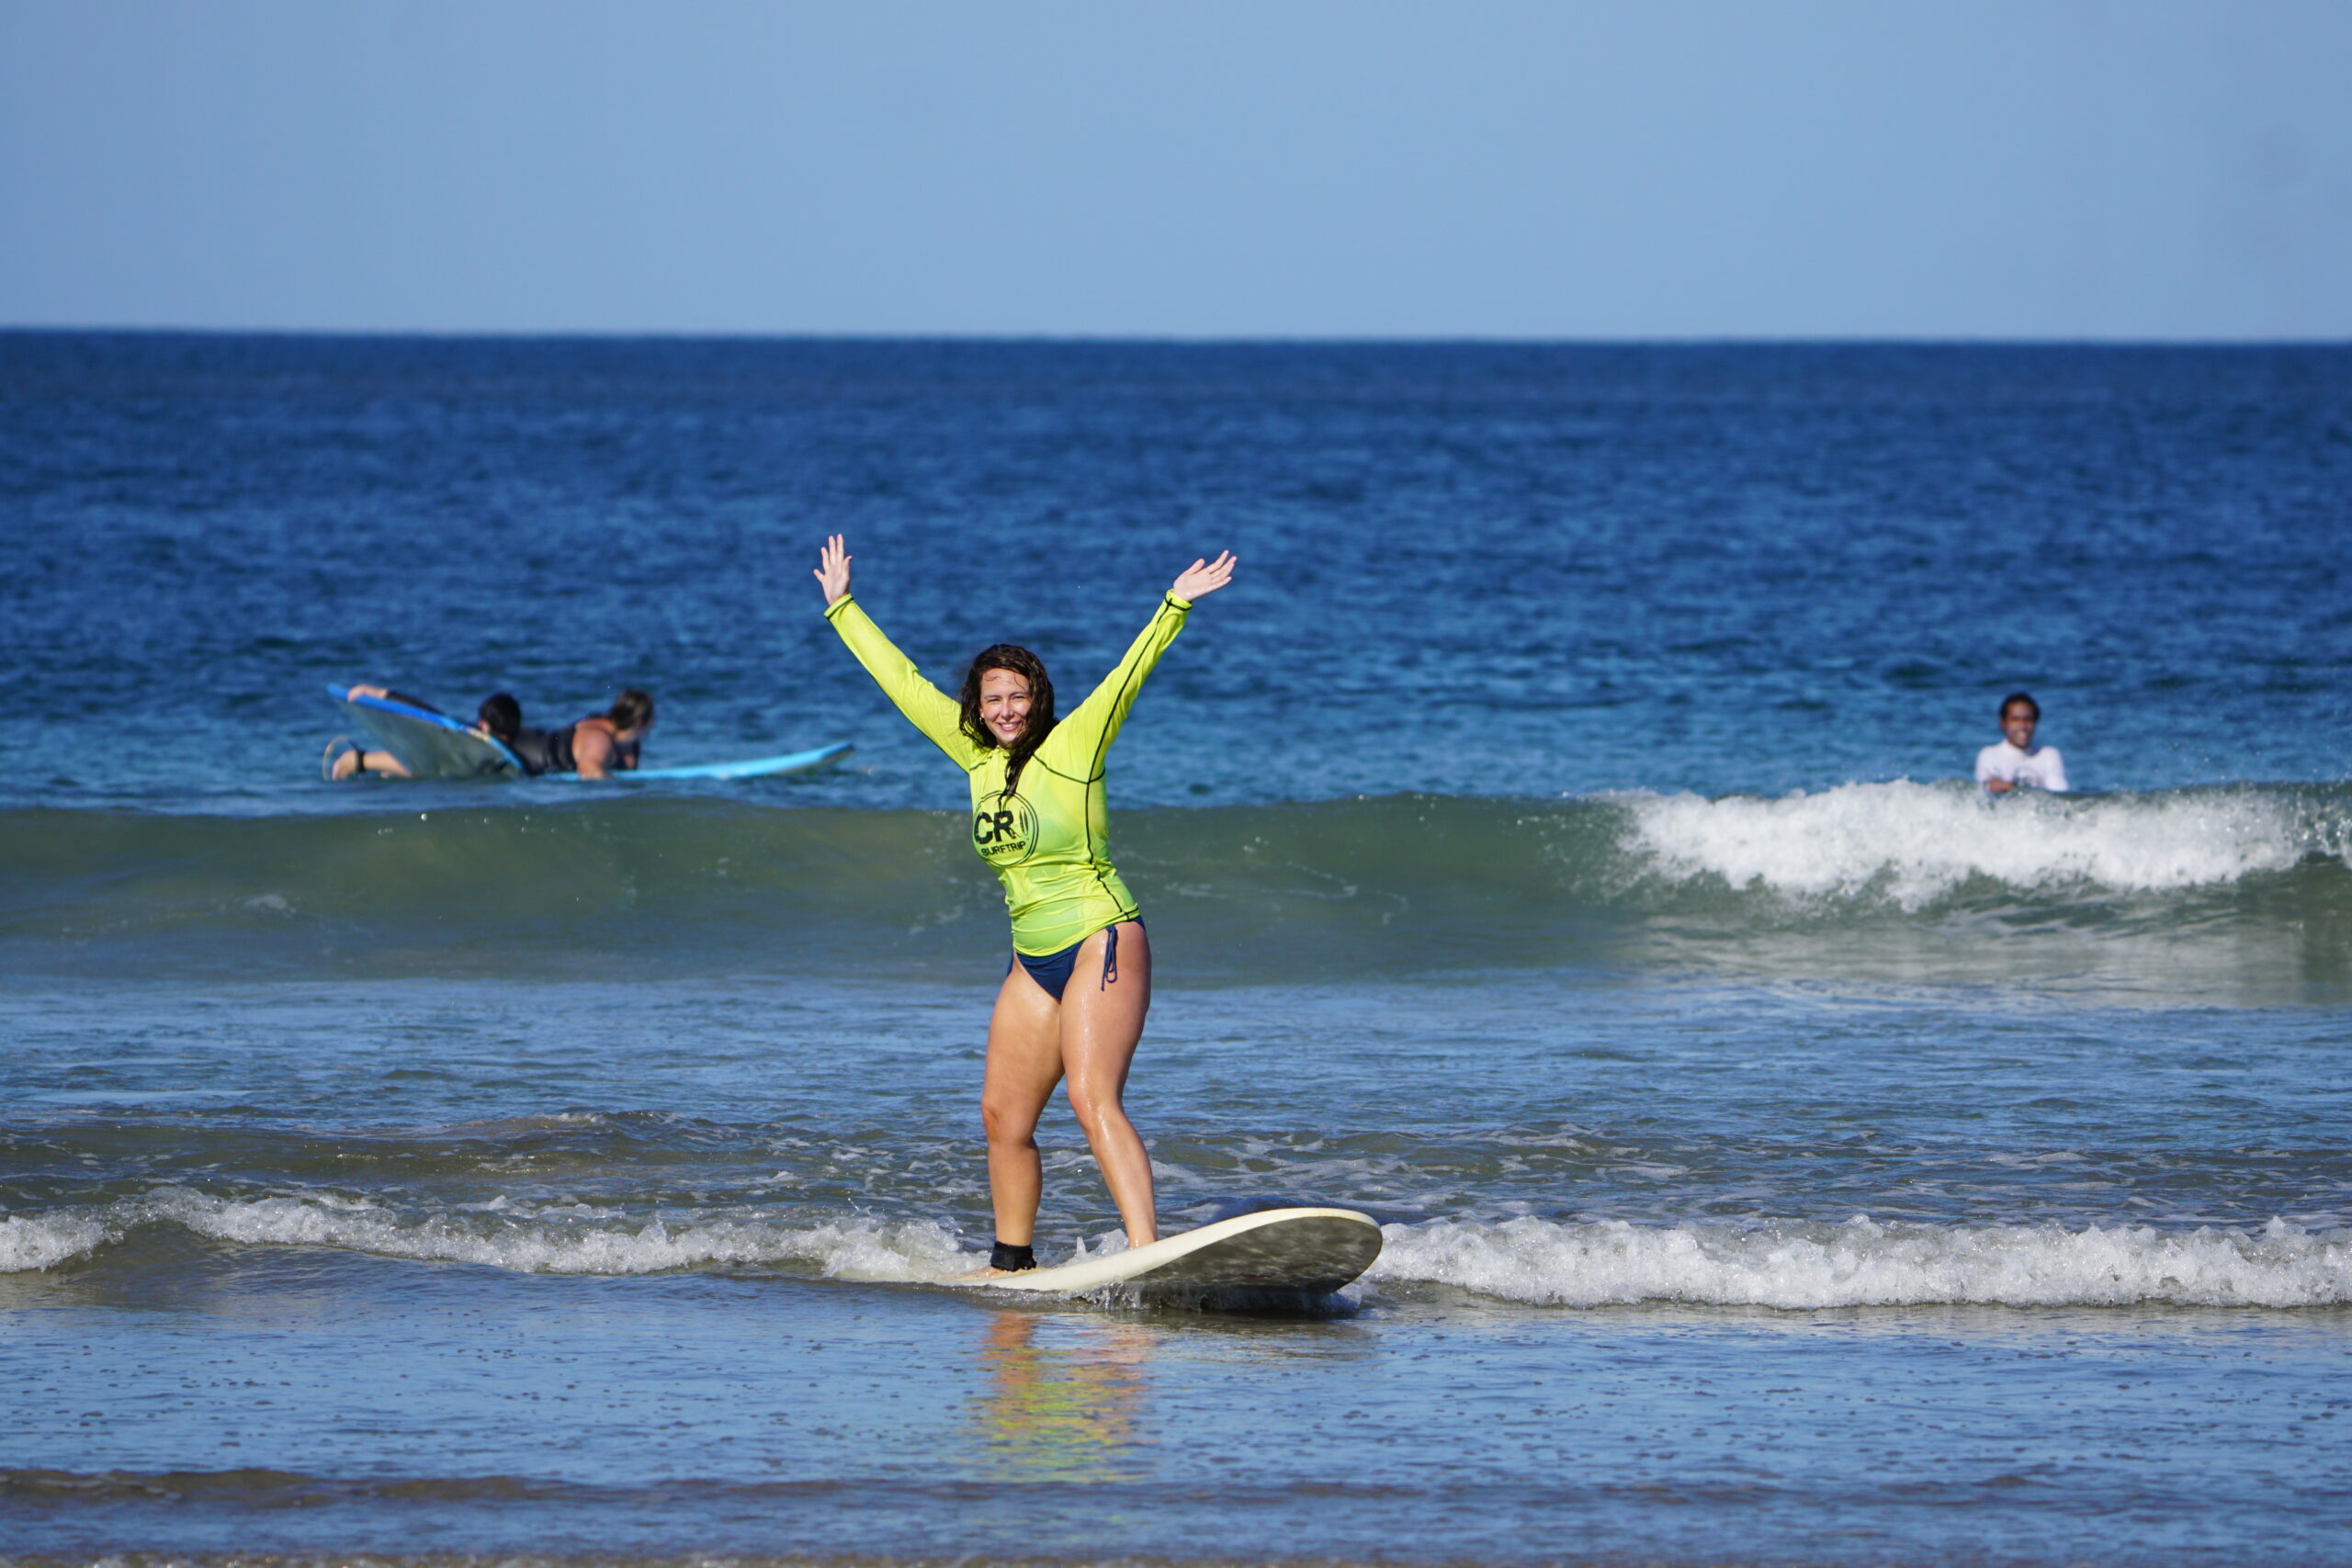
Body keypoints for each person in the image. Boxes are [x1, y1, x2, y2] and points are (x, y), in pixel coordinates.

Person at [812, 532, 1236, 1272]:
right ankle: (1013, 1262)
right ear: (980, 707)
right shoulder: (974, 755)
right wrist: (843, 608)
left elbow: (1126, 677)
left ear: (1038, 698)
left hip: (1101, 935)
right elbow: (905, 684)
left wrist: (1174, 605)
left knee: (1091, 1096)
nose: (1007, 708)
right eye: (994, 698)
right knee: (1003, 1117)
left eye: (1018, 695)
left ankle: (1148, 1254)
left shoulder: (1076, 745)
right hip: (1031, 957)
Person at [328, 688, 527, 780]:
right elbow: (430, 714)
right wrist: (382, 694)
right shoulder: (469, 737)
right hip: (432, 760)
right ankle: (356, 760)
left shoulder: (506, 755)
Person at [532, 689, 655, 779]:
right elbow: (588, 771)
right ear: (640, 722)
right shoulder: (598, 738)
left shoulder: (629, 743)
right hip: (534, 764)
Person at [1975, 691, 2069, 794]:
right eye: (2016, 720)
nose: (2023, 726)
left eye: (2028, 720)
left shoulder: (2048, 755)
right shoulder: (1989, 755)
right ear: (2003, 722)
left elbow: (2060, 794)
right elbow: (1983, 790)